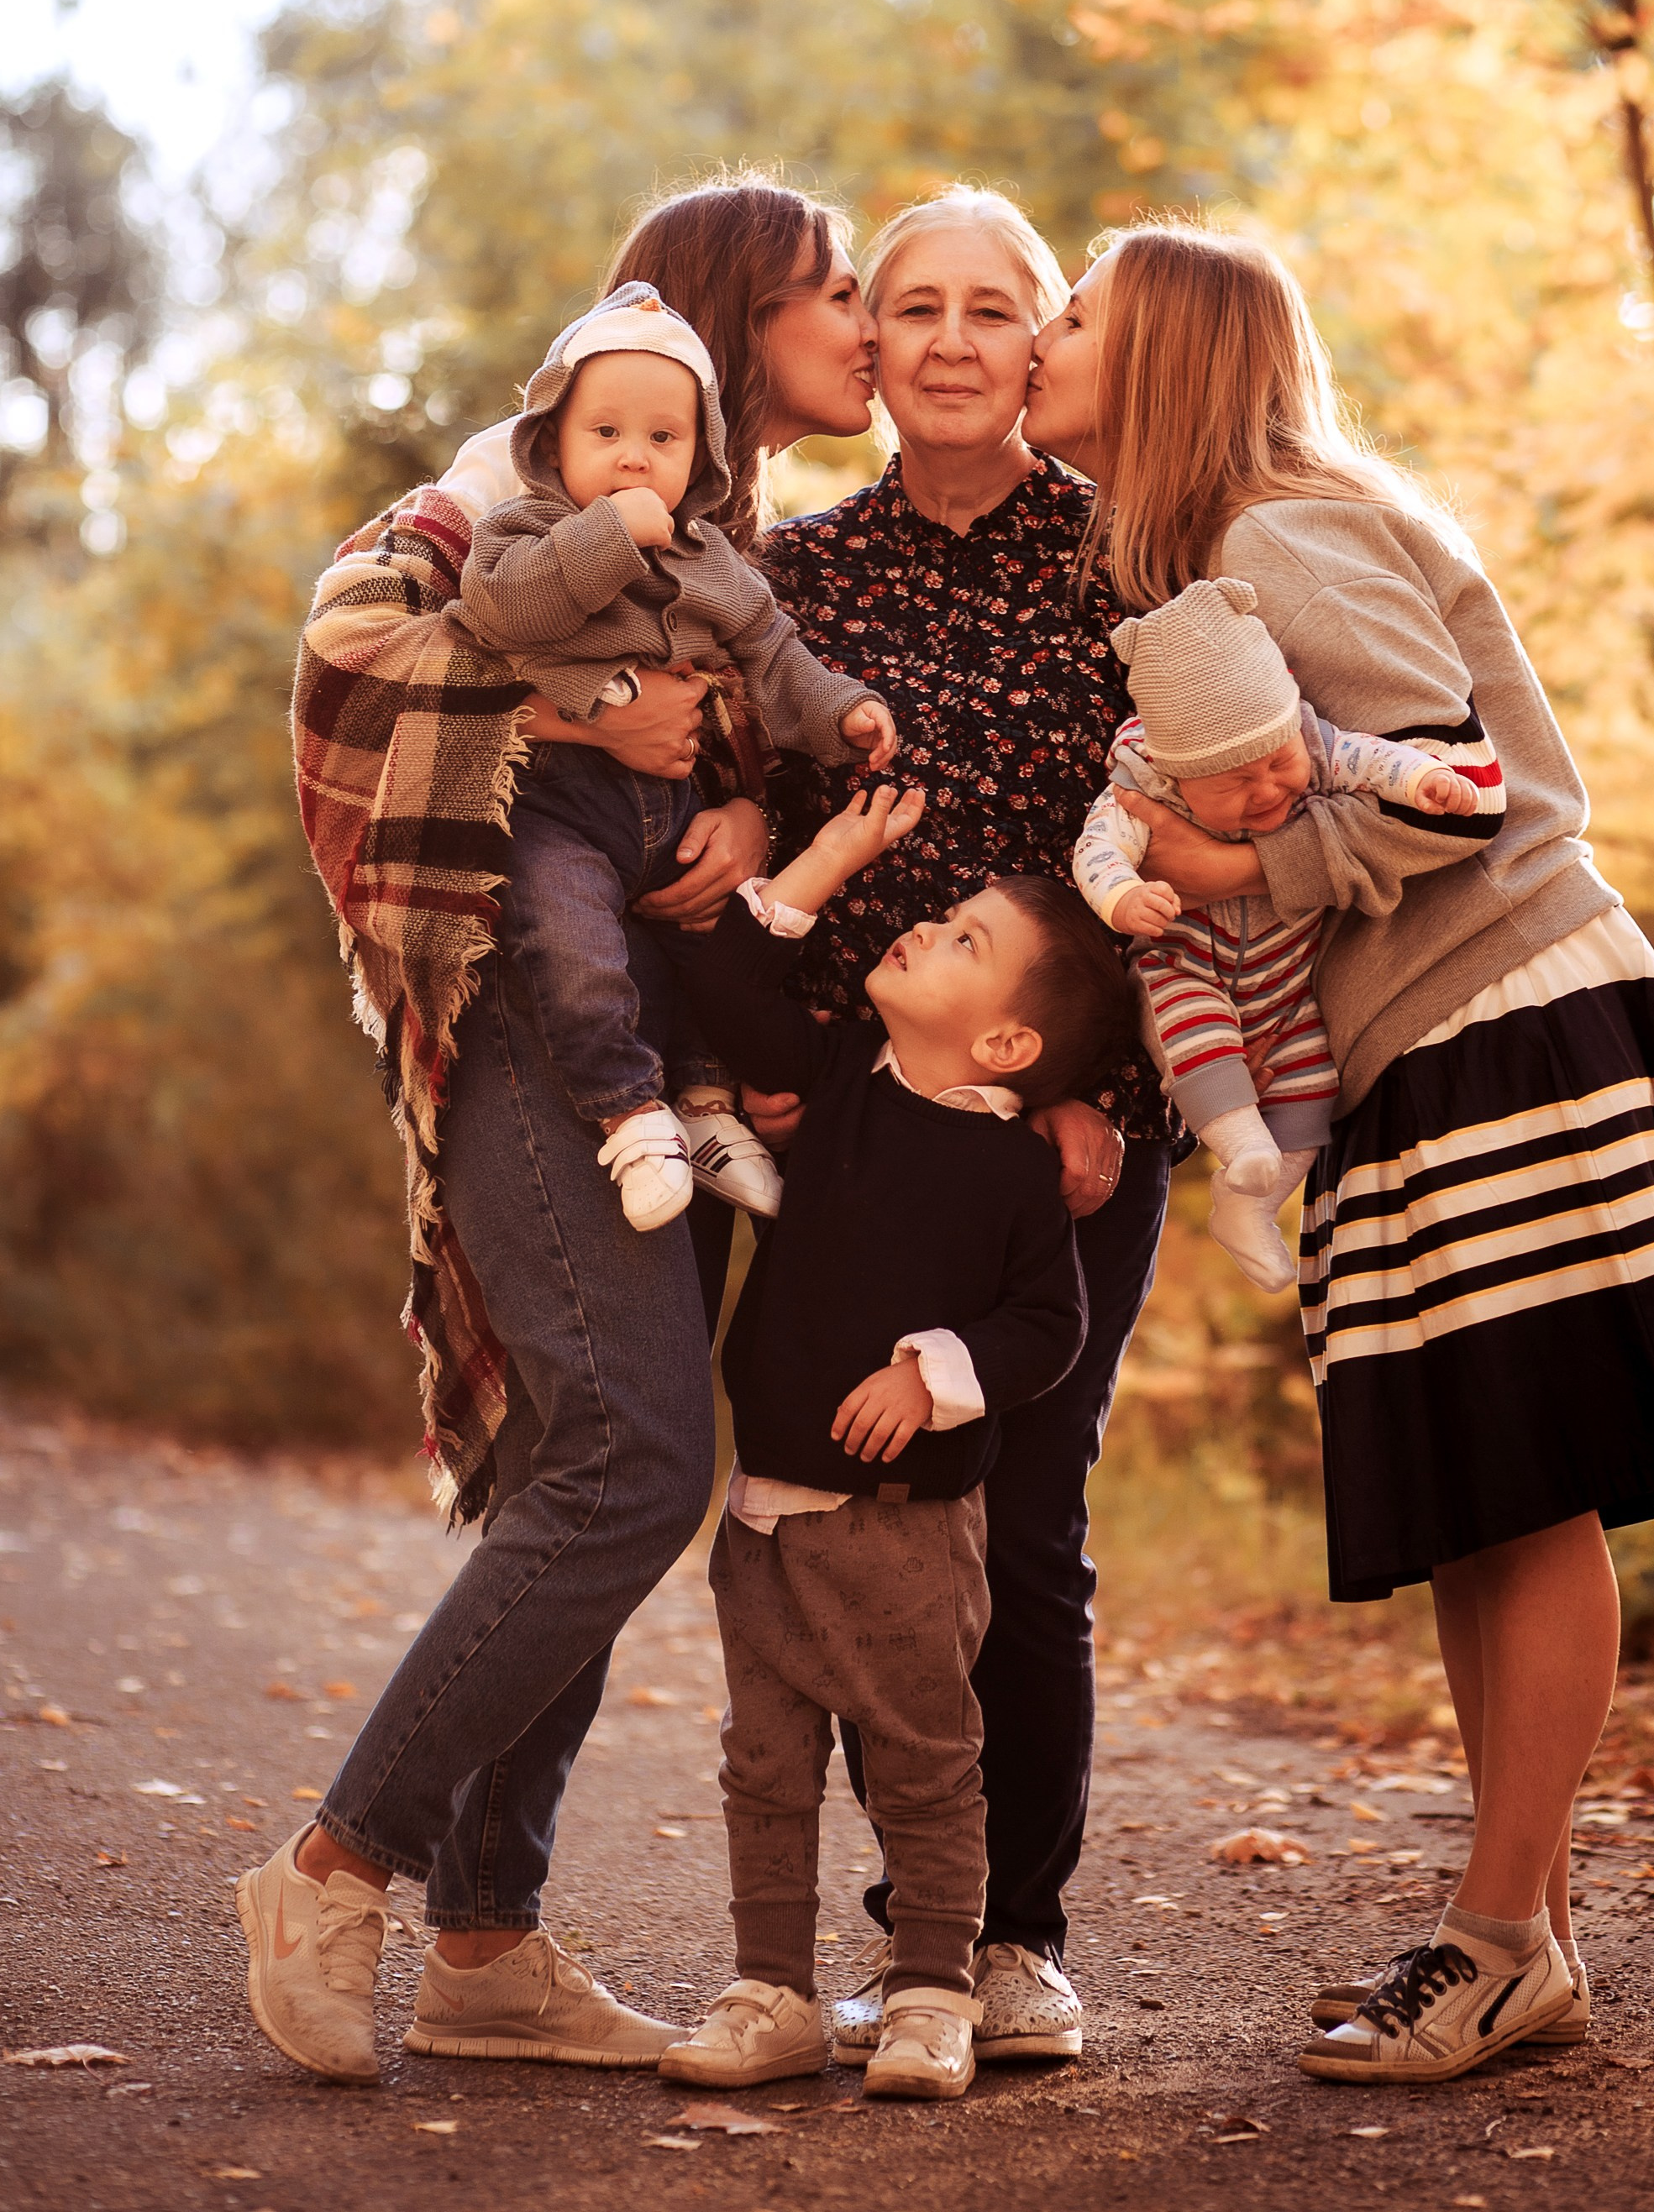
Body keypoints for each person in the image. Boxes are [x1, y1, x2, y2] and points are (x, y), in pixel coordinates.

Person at [1028, 220, 1654, 2088]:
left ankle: (1495, 1933)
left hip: (1508, 1015)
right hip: (1428, 1040)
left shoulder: (1281, 530)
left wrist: (1235, 875)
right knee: (1484, 1482)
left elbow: (1450, 785)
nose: (1050, 337)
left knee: (1525, 1479)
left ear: (1168, 363)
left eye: (1078, 314)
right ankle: (1519, 1933)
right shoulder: (1232, 546)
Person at [254, 181, 879, 2087]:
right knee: (625, 1458)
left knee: (582, 1471)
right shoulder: (522, 472)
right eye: (828, 293)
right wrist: (592, 710)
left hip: (643, 1047)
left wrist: (746, 812)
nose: (859, 321)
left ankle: (488, 1939)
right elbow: (355, 645)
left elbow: (739, 739)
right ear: (725, 318)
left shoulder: (722, 521)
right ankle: (333, 1860)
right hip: (533, 1017)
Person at [757, 186, 1181, 2063]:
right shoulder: (795, 570)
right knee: (870, 1514)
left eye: (990, 310)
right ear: (873, 344)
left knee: (1027, 1513)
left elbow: (1184, 846)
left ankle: (1013, 1939)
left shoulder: (1132, 561)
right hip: (854, 1140)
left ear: (1042, 343)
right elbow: (743, 832)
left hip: (1078, 1129)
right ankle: (911, 1929)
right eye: (910, 304)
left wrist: (1087, 1095)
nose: (944, 340)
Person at [658, 789, 1135, 2102]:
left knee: (927, 1765)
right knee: (763, 1766)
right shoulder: (837, 1091)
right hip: (764, 1515)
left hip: (908, 1531)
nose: (925, 926)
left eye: (963, 937)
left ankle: (933, 1989)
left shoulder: (1011, 1177)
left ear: (1006, 1037)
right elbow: (728, 974)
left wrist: (935, 1378)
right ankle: (772, 1993)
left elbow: (1050, 1326)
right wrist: (835, 856)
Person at [452, 281, 893, 1229]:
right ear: (550, 444)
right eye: (604, 433)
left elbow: (774, 656)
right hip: (560, 809)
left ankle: (702, 1106)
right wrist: (608, 537)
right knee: (572, 945)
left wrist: (841, 714)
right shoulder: (519, 531)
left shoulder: (710, 561)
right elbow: (501, 615)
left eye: (662, 440)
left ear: (700, 460)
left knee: (713, 942)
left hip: (672, 804)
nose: (632, 457)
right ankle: (628, 1112)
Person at [1073, 574, 1486, 1292]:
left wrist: (1423, 780)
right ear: (1179, 772)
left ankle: (1252, 1204)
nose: (1267, 790)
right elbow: (1095, 850)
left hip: (1286, 983)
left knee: (1311, 1088)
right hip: (1187, 963)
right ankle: (1236, 1147)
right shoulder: (1143, 784)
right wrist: (1124, 897)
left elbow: (1366, 757)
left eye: (1277, 764)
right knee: (1193, 1029)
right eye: (1234, 783)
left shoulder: (1302, 741)